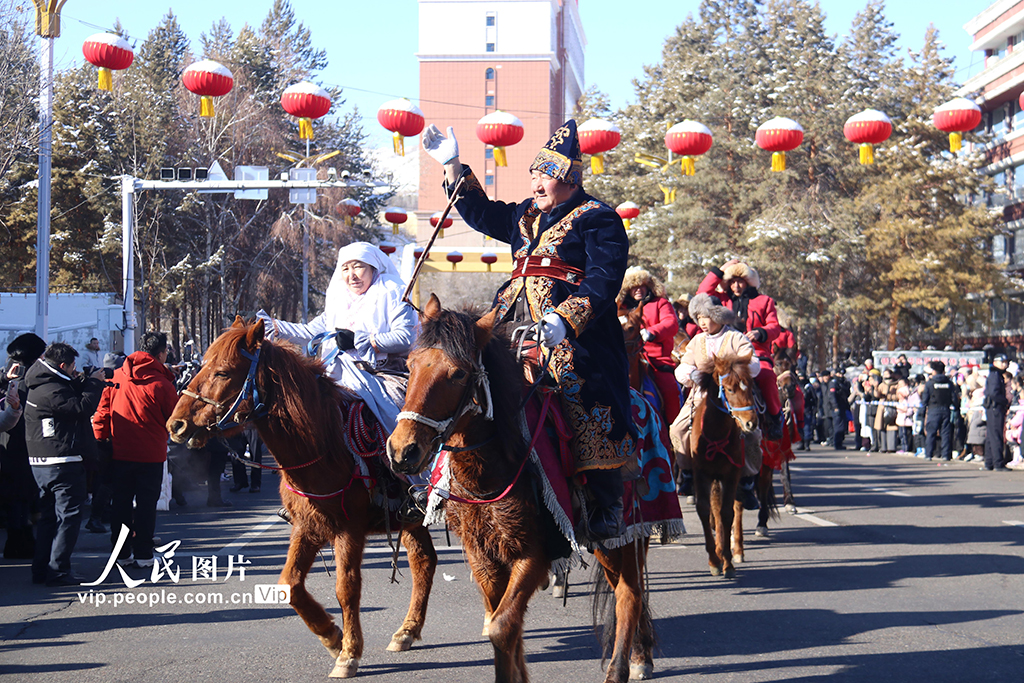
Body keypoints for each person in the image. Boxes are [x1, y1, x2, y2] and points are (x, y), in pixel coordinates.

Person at [423, 119, 634, 541]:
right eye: (534, 175)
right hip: (510, 324)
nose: (535, 182)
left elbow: (603, 280)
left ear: (567, 179)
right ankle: (440, 479)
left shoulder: (599, 220)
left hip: (575, 336)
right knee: (463, 384)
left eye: (544, 175)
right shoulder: (524, 215)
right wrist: (452, 166)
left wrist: (564, 320)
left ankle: (605, 501)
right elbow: (481, 212)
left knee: (584, 392)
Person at [258, 242, 416, 435]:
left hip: (384, 374)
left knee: (397, 424)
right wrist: (267, 325)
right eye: (346, 268)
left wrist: (363, 341)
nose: (352, 275)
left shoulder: (393, 291)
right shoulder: (339, 299)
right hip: (340, 374)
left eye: (358, 266)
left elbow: (406, 336)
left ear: (372, 267)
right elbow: (311, 333)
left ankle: (396, 461)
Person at [92, 331, 178, 569]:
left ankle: (120, 553)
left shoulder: (117, 377)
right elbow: (174, 418)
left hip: (119, 451)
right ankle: (143, 553)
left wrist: (101, 442)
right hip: (151, 453)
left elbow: (102, 413)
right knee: (146, 506)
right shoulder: (162, 384)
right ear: (160, 353)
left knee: (120, 504)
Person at [670, 294, 762, 510]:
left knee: (753, 434)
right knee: (677, 429)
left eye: (707, 317)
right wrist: (691, 374)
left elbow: (754, 363)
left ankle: (747, 480)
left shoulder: (736, 338)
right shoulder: (697, 341)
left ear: (719, 316)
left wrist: (737, 370)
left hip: (735, 397)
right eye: (699, 317)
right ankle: (689, 472)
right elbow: (682, 367)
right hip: (701, 397)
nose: (702, 322)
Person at [24, 341, 105, 585]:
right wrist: (95, 384)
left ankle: (41, 569)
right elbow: (80, 407)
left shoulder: (41, 384)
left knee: (50, 517)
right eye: (72, 367)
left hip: (42, 463)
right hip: (62, 461)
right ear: (62, 365)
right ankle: (58, 569)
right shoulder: (52, 390)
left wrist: (82, 381)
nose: (74, 371)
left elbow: (68, 398)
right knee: (68, 518)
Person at [695, 260, 785, 441]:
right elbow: (701, 294)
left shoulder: (764, 301)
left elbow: (775, 327)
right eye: (732, 281)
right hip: (724, 355)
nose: (736, 286)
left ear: (748, 282)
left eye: (741, 281)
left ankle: (775, 419)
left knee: (767, 377)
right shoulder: (721, 301)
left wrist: (760, 333)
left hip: (755, 354)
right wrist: (720, 271)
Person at [1, 333, 46, 560]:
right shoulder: (32, 378)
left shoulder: (8, 375)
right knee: (22, 495)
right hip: (23, 442)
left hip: (9, 443)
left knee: (15, 496)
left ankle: (17, 539)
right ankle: (21, 539)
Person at [618, 266, 681, 425]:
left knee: (670, 389)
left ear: (649, 286)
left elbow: (671, 323)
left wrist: (652, 332)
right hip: (624, 357)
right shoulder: (620, 309)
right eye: (634, 287)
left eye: (641, 286)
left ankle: (674, 434)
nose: (638, 290)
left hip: (655, 359)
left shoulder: (660, 303)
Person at [916, 361, 958, 462]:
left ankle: (929, 454)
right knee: (945, 433)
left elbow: (925, 400)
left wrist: (921, 413)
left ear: (934, 371)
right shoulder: (949, 383)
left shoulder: (930, 383)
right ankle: (945, 455)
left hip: (933, 410)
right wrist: (956, 408)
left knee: (931, 433)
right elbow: (954, 398)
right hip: (946, 409)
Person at [983, 354, 1010, 471]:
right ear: (995, 362)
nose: (1004, 364)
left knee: (991, 436)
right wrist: (1005, 402)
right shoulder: (995, 375)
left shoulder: (997, 375)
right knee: (996, 436)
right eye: (1002, 361)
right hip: (995, 408)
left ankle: (989, 462)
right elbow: (994, 393)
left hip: (993, 408)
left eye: (1005, 362)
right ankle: (998, 463)